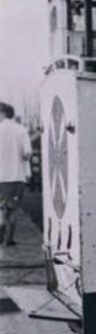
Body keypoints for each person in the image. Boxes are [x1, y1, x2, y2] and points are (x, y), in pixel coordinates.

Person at [0, 103, 31, 246]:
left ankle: (0, 230)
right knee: (13, 209)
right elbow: (27, 154)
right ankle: (9, 240)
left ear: (3, 113)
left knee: (0, 207)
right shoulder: (21, 130)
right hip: (16, 177)